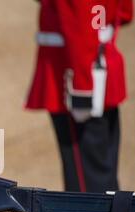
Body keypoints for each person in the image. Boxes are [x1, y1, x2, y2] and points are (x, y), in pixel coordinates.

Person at [24, 0, 133, 193]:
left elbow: (80, 28)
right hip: (101, 66)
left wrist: (82, 92)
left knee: (87, 184)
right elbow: (124, 13)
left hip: (74, 75)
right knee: (102, 171)